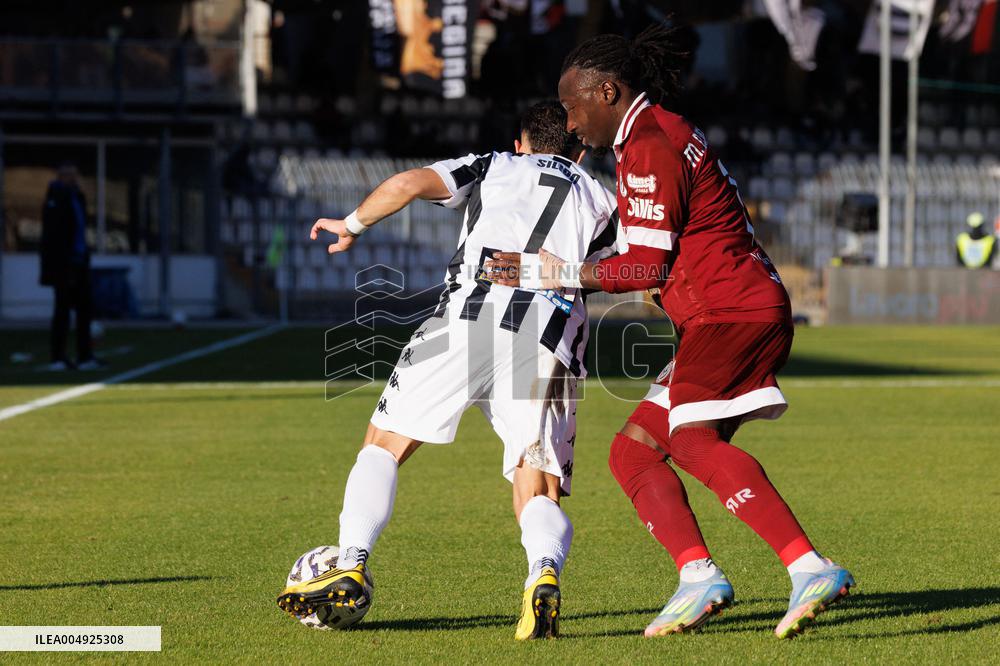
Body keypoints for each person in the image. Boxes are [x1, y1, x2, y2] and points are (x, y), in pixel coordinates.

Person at [487, 24, 854, 639]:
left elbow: (645, 266)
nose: (571, 125)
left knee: (687, 440)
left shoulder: (651, 144)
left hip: (730, 314)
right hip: (721, 313)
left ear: (607, 92)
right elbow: (650, 251)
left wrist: (553, 273)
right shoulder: (650, 138)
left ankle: (809, 567)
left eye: (574, 108)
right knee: (633, 452)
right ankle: (697, 576)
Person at [276, 101, 620, 640]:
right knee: (539, 488)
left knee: (383, 445)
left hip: (465, 322)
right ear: (578, 147)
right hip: (549, 340)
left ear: (521, 141)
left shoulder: (493, 165)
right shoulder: (601, 197)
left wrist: (351, 224)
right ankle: (542, 574)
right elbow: (625, 272)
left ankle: (352, 559)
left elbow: (410, 182)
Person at [39, 162, 105, 371]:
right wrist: (59, 264)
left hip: (79, 261)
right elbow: (53, 236)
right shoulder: (55, 199)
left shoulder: (78, 196)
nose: (73, 179)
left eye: (75, 175)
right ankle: (57, 357)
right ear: (60, 176)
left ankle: (85, 356)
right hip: (63, 265)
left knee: (85, 309)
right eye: (69, 175)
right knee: (62, 311)